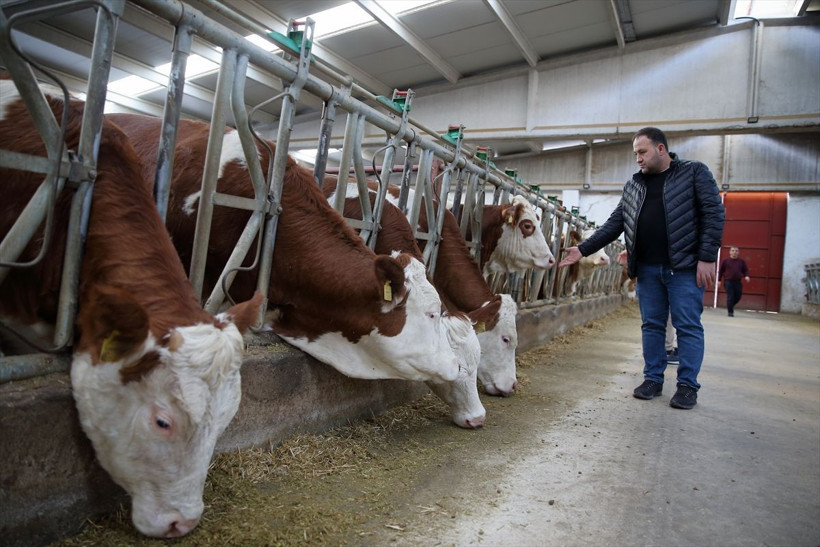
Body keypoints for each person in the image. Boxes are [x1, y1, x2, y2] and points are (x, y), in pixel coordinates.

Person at [559, 127, 724, 409]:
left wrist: (707, 257)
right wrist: (583, 249)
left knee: (687, 326)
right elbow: (614, 224)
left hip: (683, 267)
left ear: (661, 149)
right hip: (647, 268)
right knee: (652, 326)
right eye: (635, 153)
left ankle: (687, 386)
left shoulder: (694, 173)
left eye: (642, 152)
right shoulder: (634, 185)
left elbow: (713, 213)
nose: (638, 159)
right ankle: (653, 379)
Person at [718, 246, 750, 317]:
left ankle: (730, 306)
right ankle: (730, 312)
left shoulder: (741, 262)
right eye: (732, 251)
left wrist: (746, 276)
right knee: (730, 296)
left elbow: (745, 270)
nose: (734, 252)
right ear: (730, 252)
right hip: (728, 282)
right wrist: (719, 280)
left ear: (738, 252)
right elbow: (720, 271)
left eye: (736, 251)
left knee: (738, 296)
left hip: (738, 282)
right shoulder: (725, 261)